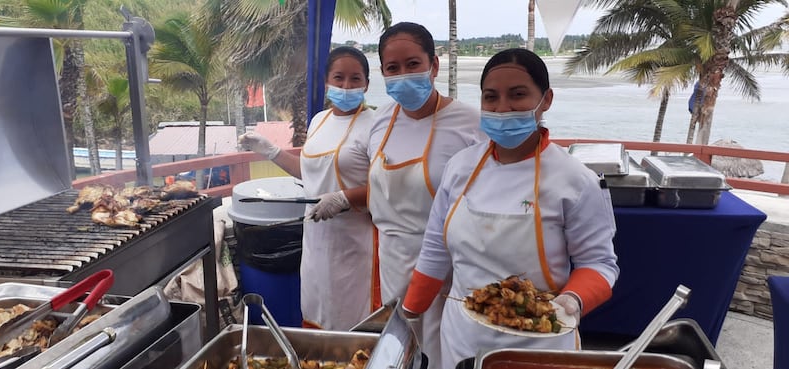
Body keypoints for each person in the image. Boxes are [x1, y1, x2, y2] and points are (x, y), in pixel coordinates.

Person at [401, 48, 620, 369]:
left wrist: (572, 301)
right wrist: (407, 315)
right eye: (491, 97)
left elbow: (600, 264)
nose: (502, 108)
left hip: (539, 342)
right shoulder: (460, 167)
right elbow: (435, 250)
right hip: (462, 338)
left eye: (518, 95)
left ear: (546, 100)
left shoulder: (575, 180)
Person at [366, 22, 485, 369]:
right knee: (399, 352)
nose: (403, 75)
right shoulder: (380, 120)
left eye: (413, 64)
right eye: (393, 68)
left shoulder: (469, 123)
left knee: (441, 352)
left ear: (434, 65)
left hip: (447, 266)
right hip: (391, 257)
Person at [238, 46, 378, 331]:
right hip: (316, 243)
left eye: (355, 79)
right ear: (327, 81)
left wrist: (343, 198)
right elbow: (310, 174)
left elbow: (389, 188)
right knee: (317, 317)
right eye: (339, 78)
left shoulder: (375, 125)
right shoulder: (319, 120)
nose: (347, 86)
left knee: (354, 328)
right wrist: (270, 151)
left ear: (366, 84)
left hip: (355, 245)